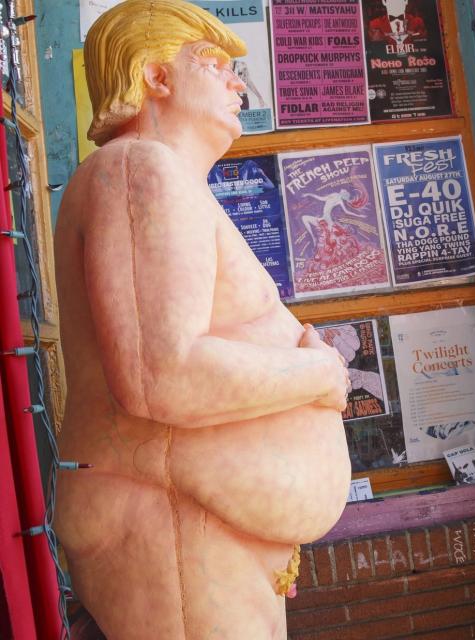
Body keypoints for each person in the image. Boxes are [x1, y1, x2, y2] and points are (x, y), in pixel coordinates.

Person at [53, 2, 351, 638]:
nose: (238, 82)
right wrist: (319, 373)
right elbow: (162, 375)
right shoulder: (142, 169)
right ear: (157, 78)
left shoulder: (158, 178)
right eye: (214, 64)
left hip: (195, 529)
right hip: (171, 525)